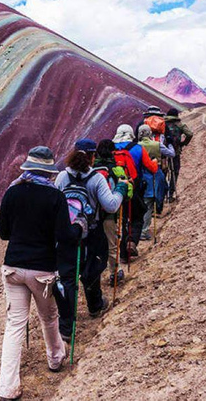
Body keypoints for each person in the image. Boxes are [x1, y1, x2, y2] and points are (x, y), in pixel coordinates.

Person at [0, 146, 71, 400]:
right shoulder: (55, 197)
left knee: (15, 325)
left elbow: (3, 233)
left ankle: (7, 388)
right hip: (43, 269)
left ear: (28, 168)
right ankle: (55, 358)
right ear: (49, 171)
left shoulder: (12, 192)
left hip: (12, 267)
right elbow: (63, 236)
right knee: (49, 316)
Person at [53, 139, 126, 342]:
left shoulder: (61, 177)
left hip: (66, 234)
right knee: (92, 270)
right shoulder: (96, 179)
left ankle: (66, 326)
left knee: (67, 277)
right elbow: (110, 206)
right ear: (93, 156)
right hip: (91, 233)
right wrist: (120, 189)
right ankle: (95, 305)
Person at [112, 124, 158, 259]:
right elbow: (151, 168)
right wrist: (155, 162)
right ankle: (131, 242)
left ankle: (121, 250)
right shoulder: (138, 148)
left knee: (121, 219)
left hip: (114, 188)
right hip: (134, 187)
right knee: (136, 216)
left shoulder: (111, 149)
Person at [93, 139, 128, 285]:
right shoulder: (116, 169)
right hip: (109, 213)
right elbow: (128, 192)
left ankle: (93, 275)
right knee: (112, 243)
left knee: (94, 245)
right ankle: (115, 272)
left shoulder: (90, 169)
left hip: (92, 215)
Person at [137, 125, 169, 240]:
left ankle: (140, 230)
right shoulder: (157, 144)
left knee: (144, 203)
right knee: (150, 205)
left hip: (141, 177)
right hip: (155, 175)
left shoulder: (137, 146)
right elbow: (171, 154)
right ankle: (144, 231)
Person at [164, 108, 193, 201]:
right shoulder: (180, 125)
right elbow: (189, 134)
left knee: (164, 172)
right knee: (174, 172)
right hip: (176, 152)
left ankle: (162, 193)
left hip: (163, 152)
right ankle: (170, 194)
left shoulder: (163, 124)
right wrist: (183, 143)